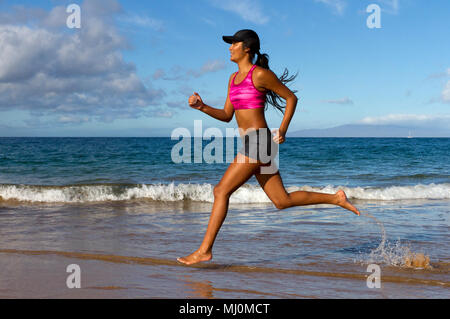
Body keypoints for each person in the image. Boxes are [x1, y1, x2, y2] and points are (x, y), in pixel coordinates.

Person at [177, 29, 360, 265]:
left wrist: (282, 129)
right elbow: (225, 115)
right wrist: (202, 107)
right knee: (281, 201)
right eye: (230, 43)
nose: (229, 47)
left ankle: (204, 250)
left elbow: (291, 98)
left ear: (247, 48)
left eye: (234, 43)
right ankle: (335, 198)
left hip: (259, 142)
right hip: (252, 143)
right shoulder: (232, 79)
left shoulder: (260, 75)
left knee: (221, 191)